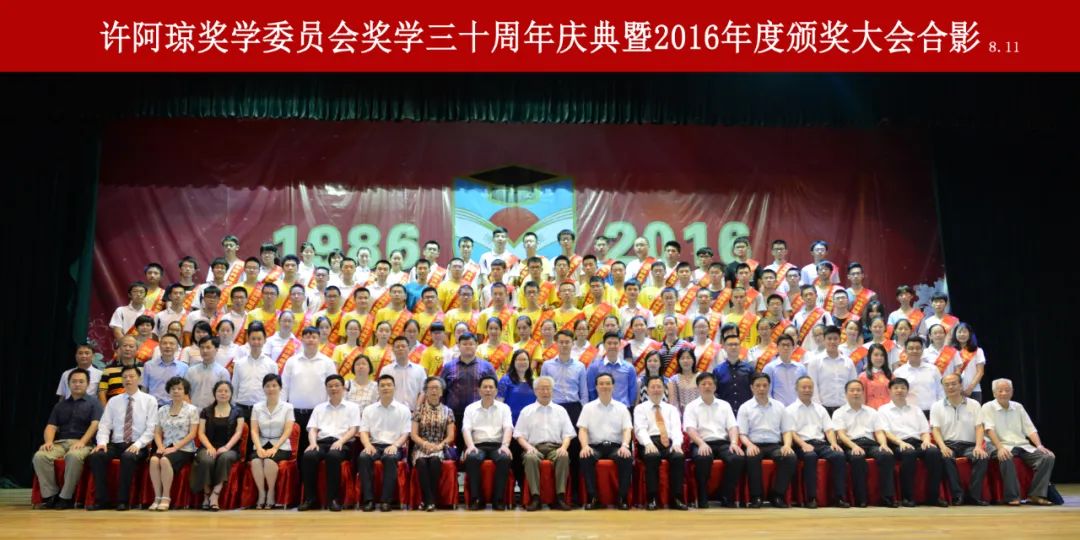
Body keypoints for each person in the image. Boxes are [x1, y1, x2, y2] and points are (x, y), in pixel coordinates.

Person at [87, 365, 157, 511]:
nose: (128, 379)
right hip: (116, 443)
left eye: (131, 376)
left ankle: (123, 500)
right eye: (124, 377)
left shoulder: (150, 400)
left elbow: (151, 428)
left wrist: (138, 444)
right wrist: (102, 443)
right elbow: (104, 425)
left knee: (128, 456)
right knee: (97, 456)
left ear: (139, 379)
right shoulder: (114, 401)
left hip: (138, 444)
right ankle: (102, 500)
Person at [32, 368, 103, 509]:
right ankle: (51, 495)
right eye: (74, 381)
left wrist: (82, 442)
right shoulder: (60, 405)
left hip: (84, 443)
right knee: (40, 456)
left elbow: (95, 425)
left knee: (73, 456)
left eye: (81, 381)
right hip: (60, 443)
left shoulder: (94, 403)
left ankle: (66, 497)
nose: (77, 384)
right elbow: (51, 426)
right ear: (68, 384)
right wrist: (48, 442)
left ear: (88, 384)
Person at [981, 378, 1056, 506]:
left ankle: (1035, 495)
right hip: (997, 444)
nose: (1004, 393)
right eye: (1000, 390)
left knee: (1048, 457)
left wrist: (1039, 445)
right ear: (994, 393)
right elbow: (989, 429)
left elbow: (1030, 429)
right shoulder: (988, 407)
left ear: (1012, 392)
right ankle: (1012, 496)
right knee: (1005, 455)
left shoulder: (1018, 407)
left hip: (1021, 445)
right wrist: (1000, 448)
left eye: (1007, 390)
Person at [877, 378, 947, 507]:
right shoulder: (883, 410)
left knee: (934, 452)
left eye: (903, 388)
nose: (899, 390)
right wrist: (900, 443)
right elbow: (886, 432)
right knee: (909, 453)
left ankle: (934, 496)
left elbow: (924, 431)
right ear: (889, 391)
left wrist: (926, 441)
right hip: (897, 443)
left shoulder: (916, 409)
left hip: (917, 442)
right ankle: (908, 497)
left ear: (907, 391)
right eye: (896, 388)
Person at [682, 372, 745, 508]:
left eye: (710, 384)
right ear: (698, 387)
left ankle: (726, 495)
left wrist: (734, 443)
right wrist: (701, 443)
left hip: (722, 442)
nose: (707, 386)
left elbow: (732, 426)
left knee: (737, 458)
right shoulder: (691, 406)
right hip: (701, 442)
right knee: (703, 458)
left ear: (715, 387)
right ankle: (703, 496)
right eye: (703, 384)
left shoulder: (724, 405)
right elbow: (690, 429)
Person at [299, 375, 361, 512]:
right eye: (330, 386)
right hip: (322, 442)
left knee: (333, 456)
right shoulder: (319, 408)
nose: (333, 388)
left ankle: (333, 499)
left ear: (343, 387)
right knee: (309, 456)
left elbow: (354, 429)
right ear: (326, 389)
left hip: (343, 443)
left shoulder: (353, 407)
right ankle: (310, 499)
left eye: (337, 385)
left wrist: (341, 441)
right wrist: (313, 443)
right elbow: (312, 429)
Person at [832, 380, 898, 508]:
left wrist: (883, 444)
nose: (855, 393)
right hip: (851, 444)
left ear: (863, 393)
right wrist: (854, 446)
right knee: (857, 457)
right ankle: (860, 499)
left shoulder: (872, 411)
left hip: (870, 443)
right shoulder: (839, 413)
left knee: (886, 455)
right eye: (852, 390)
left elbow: (879, 432)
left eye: (858, 390)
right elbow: (841, 435)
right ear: (846, 393)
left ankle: (887, 497)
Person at [514, 376, 576, 511]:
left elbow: (568, 434)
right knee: (530, 458)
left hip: (555, 447)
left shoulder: (561, 410)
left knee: (563, 456)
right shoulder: (527, 411)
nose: (545, 392)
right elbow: (519, 435)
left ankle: (560, 497)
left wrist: (564, 447)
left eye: (548, 388)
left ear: (552, 391)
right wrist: (528, 447)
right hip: (534, 448)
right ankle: (535, 497)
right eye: (542, 389)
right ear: (535, 391)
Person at [787, 375, 848, 508]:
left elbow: (829, 430)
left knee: (839, 455)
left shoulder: (820, 408)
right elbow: (791, 432)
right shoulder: (790, 410)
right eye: (804, 387)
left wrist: (833, 443)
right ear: (796, 389)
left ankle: (839, 497)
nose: (807, 390)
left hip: (821, 443)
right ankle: (811, 498)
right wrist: (803, 444)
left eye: (810, 387)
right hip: (801, 444)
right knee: (810, 456)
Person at [737, 373, 796, 508]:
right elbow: (742, 434)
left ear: (769, 386)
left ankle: (777, 495)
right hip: (753, 444)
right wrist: (749, 445)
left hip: (774, 445)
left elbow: (787, 430)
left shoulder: (779, 406)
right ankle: (756, 497)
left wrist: (787, 445)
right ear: (751, 387)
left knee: (790, 457)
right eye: (758, 386)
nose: (761, 389)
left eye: (764, 385)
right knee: (752, 457)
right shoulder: (745, 407)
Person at [930, 373, 990, 506]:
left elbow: (979, 427)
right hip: (948, 444)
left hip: (970, 445)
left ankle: (974, 496)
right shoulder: (936, 406)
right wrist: (942, 447)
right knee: (946, 457)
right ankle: (958, 495)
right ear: (943, 387)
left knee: (982, 457)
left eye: (954, 384)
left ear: (961, 385)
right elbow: (936, 430)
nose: (950, 387)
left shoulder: (974, 404)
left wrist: (978, 446)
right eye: (947, 385)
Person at [577, 373, 633, 510]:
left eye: (608, 383)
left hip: (616, 447)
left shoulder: (622, 407)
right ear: (596, 387)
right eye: (601, 384)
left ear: (613, 386)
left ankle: (622, 498)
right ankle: (593, 498)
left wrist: (625, 446)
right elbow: (582, 430)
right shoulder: (588, 407)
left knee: (626, 457)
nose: (605, 386)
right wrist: (584, 446)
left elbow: (627, 429)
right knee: (585, 456)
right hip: (595, 446)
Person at [357, 374, 412, 512]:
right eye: (382, 385)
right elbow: (363, 431)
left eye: (389, 385)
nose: (385, 388)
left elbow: (406, 433)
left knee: (390, 458)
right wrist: (367, 445)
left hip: (394, 446)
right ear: (378, 389)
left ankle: (386, 501)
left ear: (394, 388)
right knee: (363, 457)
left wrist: (395, 445)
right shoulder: (369, 410)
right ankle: (368, 500)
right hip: (374, 445)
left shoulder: (403, 409)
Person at [282, 327, 338, 460]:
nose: (310, 340)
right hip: (295, 413)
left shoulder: (327, 362)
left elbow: (334, 388)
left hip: (319, 414)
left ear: (319, 339)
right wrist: (284, 411)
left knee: (314, 452)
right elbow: (284, 388)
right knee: (296, 451)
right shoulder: (292, 361)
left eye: (314, 337)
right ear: (301, 339)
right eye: (307, 337)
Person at [634, 375, 688, 510]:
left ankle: (676, 498)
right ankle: (652, 498)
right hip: (649, 441)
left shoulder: (671, 409)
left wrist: (676, 443)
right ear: (647, 390)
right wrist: (648, 444)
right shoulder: (640, 408)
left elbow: (676, 429)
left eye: (659, 387)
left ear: (664, 389)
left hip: (669, 441)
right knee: (652, 456)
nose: (656, 390)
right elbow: (640, 429)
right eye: (653, 387)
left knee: (678, 457)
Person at [462, 375, 514, 510]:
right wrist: (470, 446)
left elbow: (508, 428)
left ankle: (498, 499)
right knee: (472, 458)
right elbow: (466, 429)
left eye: (491, 387)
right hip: (477, 445)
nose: (488, 390)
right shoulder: (470, 408)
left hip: (497, 445)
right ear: (479, 390)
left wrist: (505, 446)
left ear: (496, 391)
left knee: (504, 458)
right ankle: (477, 499)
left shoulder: (504, 408)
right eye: (485, 387)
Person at [146, 377, 198, 511]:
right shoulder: (162, 410)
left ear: (185, 391)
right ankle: (157, 497)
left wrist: (175, 447)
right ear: (169, 391)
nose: (176, 391)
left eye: (179, 388)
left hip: (185, 448)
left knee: (164, 460)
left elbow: (192, 434)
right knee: (153, 460)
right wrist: (160, 447)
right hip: (166, 446)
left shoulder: (192, 409)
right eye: (173, 389)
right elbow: (157, 432)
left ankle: (166, 497)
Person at [191, 381, 244, 511]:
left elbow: (238, 432)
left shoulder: (238, 411)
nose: (223, 393)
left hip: (229, 448)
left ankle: (215, 494)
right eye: (220, 391)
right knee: (206, 459)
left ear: (231, 394)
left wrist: (226, 447)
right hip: (208, 446)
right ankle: (206, 494)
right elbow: (201, 433)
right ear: (215, 393)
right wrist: (209, 447)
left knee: (225, 457)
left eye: (226, 391)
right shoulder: (206, 411)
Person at [440, 333, 496, 448]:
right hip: (453, 416)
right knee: (455, 448)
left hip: (479, 415)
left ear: (476, 345)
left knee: (476, 449)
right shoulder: (449, 367)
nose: (468, 346)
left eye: (471, 344)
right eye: (464, 344)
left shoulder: (486, 367)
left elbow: (494, 390)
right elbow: (442, 391)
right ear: (458, 346)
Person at [249, 373, 295, 510]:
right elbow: (254, 431)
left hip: (281, 445)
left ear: (280, 388)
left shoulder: (288, 407)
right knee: (256, 461)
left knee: (269, 461)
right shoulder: (257, 407)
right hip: (261, 443)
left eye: (274, 385)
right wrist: (258, 448)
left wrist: (275, 448)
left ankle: (271, 492)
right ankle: (261, 493)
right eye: (267, 386)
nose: (271, 389)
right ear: (263, 388)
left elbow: (288, 430)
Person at [411, 376, 456, 511]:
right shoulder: (418, 410)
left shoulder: (448, 411)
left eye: (437, 388)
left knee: (435, 460)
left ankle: (427, 501)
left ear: (442, 392)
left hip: (439, 446)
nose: (434, 391)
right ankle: (430, 500)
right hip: (421, 446)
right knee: (421, 462)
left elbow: (450, 436)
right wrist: (425, 444)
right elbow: (413, 434)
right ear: (426, 391)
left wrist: (440, 446)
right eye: (431, 388)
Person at [805, 326, 857, 416]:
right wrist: (819, 409)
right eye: (829, 339)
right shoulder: (815, 362)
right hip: (823, 409)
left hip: (844, 409)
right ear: (824, 340)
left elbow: (853, 385)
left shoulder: (848, 362)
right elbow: (813, 387)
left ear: (840, 340)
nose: (832, 342)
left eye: (835, 339)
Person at [232, 323, 277, 421]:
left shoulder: (272, 365)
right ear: (248, 339)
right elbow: (234, 387)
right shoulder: (239, 364)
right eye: (253, 339)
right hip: (241, 409)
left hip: (262, 410)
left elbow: (274, 391)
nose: (256, 342)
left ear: (265, 340)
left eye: (259, 339)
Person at [586, 332, 639, 408]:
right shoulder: (594, 368)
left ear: (620, 345)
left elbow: (632, 390)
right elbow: (591, 390)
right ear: (604, 345)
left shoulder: (629, 368)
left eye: (615, 343)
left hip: (623, 409)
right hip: (600, 408)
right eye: (609, 343)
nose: (612, 346)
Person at [892, 337, 943, 414]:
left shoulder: (933, 369)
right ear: (905, 351)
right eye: (911, 348)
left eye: (918, 348)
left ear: (922, 350)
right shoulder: (899, 373)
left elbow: (941, 391)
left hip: (932, 412)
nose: (914, 351)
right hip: (909, 413)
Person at [378, 336, 426, 411]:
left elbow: (423, 391)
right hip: (392, 411)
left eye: (403, 346)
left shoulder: (419, 369)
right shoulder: (386, 370)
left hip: (413, 412)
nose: (400, 348)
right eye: (397, 347)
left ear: (409, 348)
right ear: (393, 350)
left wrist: (417, 409)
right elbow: (381, 391)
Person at [142, 333, 188, 406]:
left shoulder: (184, 367)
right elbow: (144, 389)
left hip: (174, 406)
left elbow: (185, 391)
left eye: (171, 344)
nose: (168, 346)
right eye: (164, 343)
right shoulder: (148, 365)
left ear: (177, 348)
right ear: (159, 346)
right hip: (154, 406)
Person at [185, 337, 231, 410]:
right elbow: (185, 393)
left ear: (216, 350)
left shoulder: (222, 372)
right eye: (202, 347)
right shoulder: (191, 371)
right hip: (193, 411)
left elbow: (225, 395)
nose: (204, 350)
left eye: (208, 347)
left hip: (214, 412)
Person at [761, 334, 807, 406]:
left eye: (788, 345)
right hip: (777, 409)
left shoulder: (801, 368)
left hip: (797, 408)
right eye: (783, 345)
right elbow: (767, 392)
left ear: (793, 347)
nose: (785, 348)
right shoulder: (769, 368)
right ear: (777, 347)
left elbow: (805, 389)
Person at [713, 334, 753, 412]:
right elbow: (715, 393)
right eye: (730, 344)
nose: (733, 347)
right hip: (725, 413)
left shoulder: (749, 369)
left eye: (736, 344)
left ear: (740, 347)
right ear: (724, 347)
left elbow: (753, 391)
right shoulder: (717, 370)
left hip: (746, 412)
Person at [497, 350, 537, 423]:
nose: (522, 362)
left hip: (529, 422)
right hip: (510, 422)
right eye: (519, 360)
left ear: (529, 362)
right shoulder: (505, 380)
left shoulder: (533, 381)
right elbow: (499, 403)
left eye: (524, 359)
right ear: (513, 362)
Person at [950, 322, 987, 402]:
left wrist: (970, 388)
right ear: (955, 334)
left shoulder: (978, 351)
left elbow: (980, 372)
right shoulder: (950, 352)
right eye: (959, 332)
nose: (962, 334)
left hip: (974, 390)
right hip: (954, 390)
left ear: (970, 334)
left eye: (965, 332)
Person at [857, 343, 893, 409]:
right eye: (876, 355)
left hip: (888, 411)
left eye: (882, 355)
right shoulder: (863, 377)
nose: (879, 358)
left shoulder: (890, 375)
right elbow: (861, 400)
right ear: (869, 357)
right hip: (871, 411)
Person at [667, 348, 700, 413]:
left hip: (699, 413)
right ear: (678, 361)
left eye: (688, 358)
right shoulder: (673, 379)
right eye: (682, 358)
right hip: (681, 415)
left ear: (693, 360)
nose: (685, 361)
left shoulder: (700, 377)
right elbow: (673, 403)